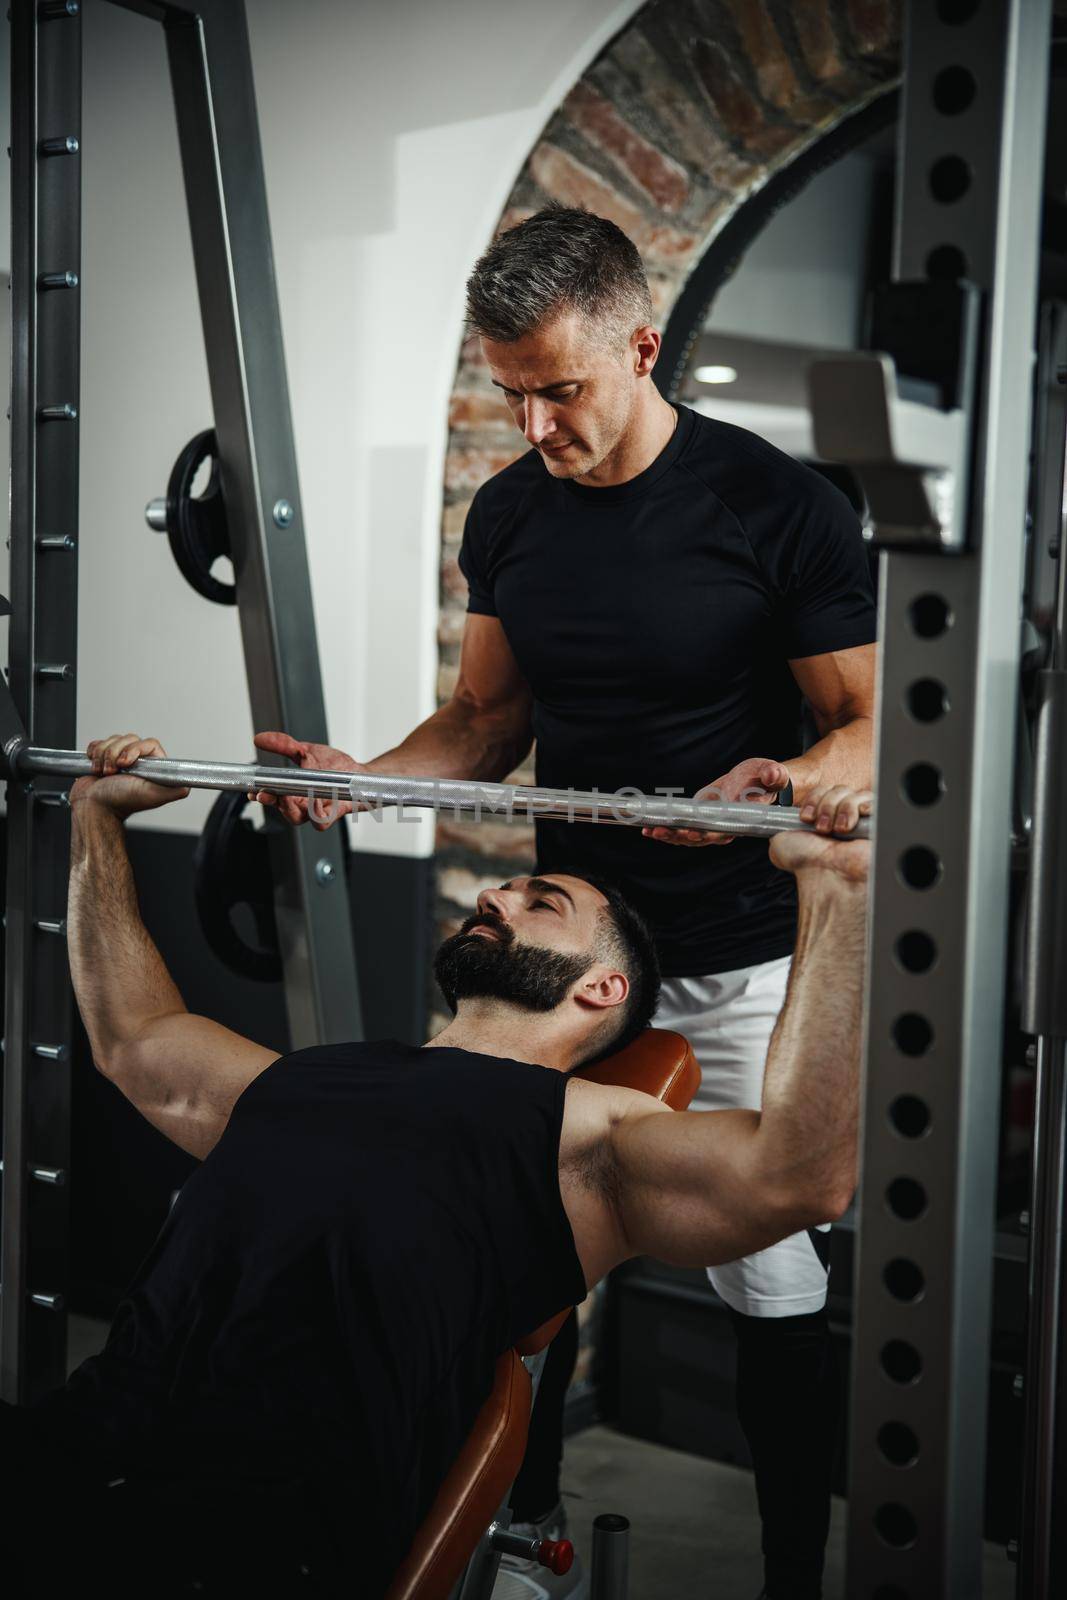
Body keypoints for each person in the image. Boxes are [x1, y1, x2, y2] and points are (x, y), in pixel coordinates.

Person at [251, 207, 877, 1600]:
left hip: (735, 952)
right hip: (578, 949)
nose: (534, 422)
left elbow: (870, 725)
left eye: (560, 388)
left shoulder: (778, 507)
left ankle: (791, 1574)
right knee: (530, 1246)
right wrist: (367, 784)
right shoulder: (516, 511)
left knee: (768, 1280)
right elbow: (481, 720)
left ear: (637, 346)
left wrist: (786, 776)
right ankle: (523, 1533)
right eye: (511, 392)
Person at [1, 736, 869, 1600]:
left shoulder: (588, 1137)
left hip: (245, 1536)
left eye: (542, 900)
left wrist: (833, 891)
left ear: (600, 988)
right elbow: (133, 1039)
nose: (495, 892)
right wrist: (98, 819)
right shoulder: (304, 1075)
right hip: (75, 1446)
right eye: (512, 887)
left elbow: (800, 1178)